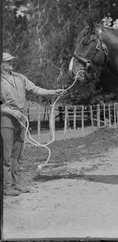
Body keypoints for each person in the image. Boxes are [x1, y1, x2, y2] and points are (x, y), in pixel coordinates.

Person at [1, 52, 66, 196]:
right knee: (6, 155)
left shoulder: (19, 77)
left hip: (21, 118)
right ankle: (7, 187)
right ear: (1, 64)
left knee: (17, 154)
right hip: (6, 120)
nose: (12, 63)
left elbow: (35, 89)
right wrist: (10, 111)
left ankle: (16, 184)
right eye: (8, 61)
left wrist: (54, 92)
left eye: (12, 60)